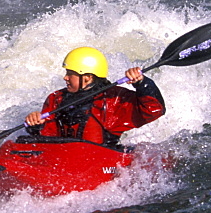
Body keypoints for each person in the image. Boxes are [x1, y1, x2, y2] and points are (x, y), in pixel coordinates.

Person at [24, 46, 165, 148]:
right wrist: (36, 124)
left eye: (70, 73)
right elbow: (47, 137)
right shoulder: (56, 99)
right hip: (65, 160)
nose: (65, 77)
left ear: (87, 78)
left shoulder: (113, 100)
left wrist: (141, 83)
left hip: (100, 160)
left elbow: (154, 110)